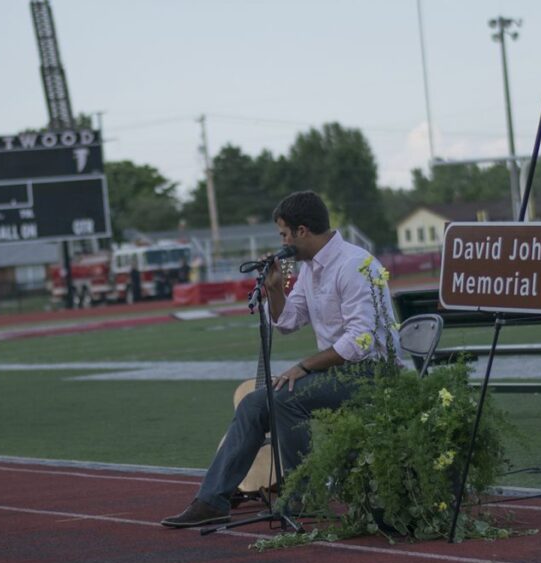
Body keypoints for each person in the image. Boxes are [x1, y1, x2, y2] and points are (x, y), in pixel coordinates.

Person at [161, 190, 402, 528]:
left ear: (302, 231)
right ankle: (212, 500)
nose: (283, 242)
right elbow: (288, 322)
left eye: (284, 234)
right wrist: (275, 288)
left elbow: (360, 342)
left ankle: (307, 495)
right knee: (254, 404)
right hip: (341, 374)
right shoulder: (311, 269)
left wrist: (304, 366)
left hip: (372, 373)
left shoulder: (353, 265)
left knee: (286, 397)